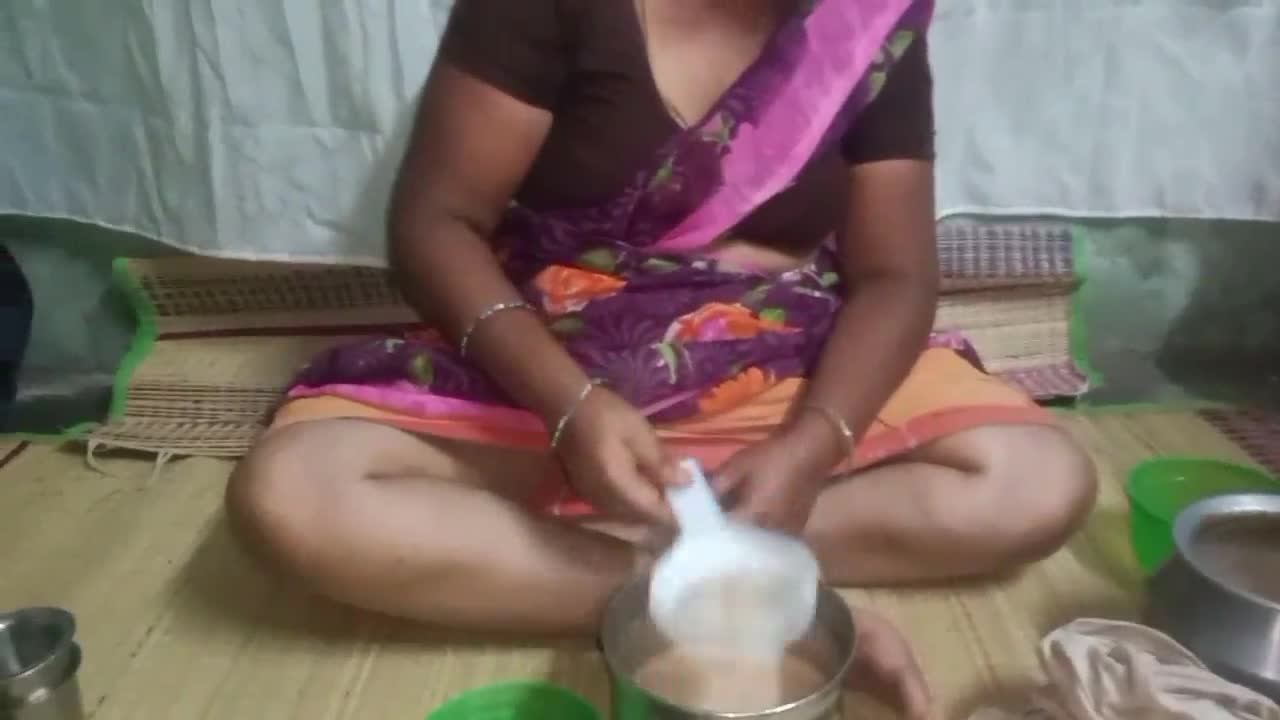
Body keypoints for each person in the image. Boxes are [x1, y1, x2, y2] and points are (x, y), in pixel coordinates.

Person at [227, 0, 1096, 715]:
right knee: (298, 497)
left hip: (779, 362)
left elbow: (896, 275)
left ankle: (570, 559)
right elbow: (435, 224)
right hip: (561, 360)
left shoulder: (866, 19)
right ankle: (734, 595)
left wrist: (816, 442)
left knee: (1035, 484)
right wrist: (569, 408)